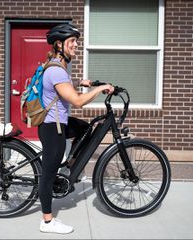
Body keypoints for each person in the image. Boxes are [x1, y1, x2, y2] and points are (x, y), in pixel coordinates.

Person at [38, 23, 114, 234]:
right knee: (47, 175)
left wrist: (82, 83)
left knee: (86, 128)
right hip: (53, 128)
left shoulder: (58, 66)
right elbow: (78, 102)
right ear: (59, 44)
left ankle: (69, 166)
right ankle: (47, 222)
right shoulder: (56, 70)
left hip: (59, 123)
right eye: (72, 42)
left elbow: (63, 89)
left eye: (76, 42)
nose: (76, 46)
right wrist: (99, 89)